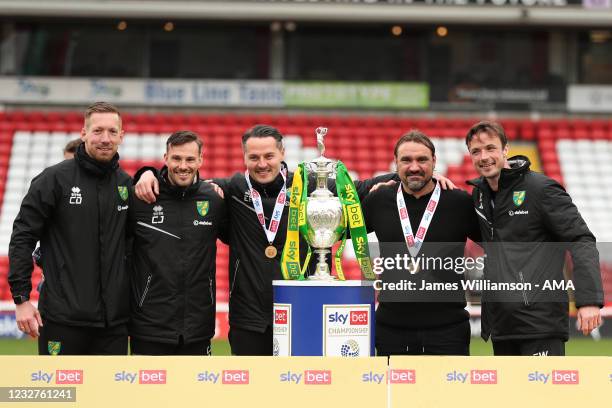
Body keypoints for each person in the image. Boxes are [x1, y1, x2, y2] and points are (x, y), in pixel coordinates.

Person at [135, 124, 421, 355]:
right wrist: (146, 173)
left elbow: (359, 187)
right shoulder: (231, 189)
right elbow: (185, 185)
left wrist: (417, 176)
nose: (262, 164)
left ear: (282, 152)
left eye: (269, 156)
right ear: (244, 156)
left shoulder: (308, 186)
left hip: (300, 309)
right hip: (249, 319)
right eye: (254, 157)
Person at [465, 120, 603, 356]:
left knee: (543, 394)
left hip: (540, 324)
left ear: (505, 149)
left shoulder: (541, 189)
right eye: (476, 151)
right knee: (509, 394)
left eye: (490, 148)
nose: (483, 156)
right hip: (502, 324)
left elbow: (581, 240)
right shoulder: (479, 194)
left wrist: (588, 300)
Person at [8, 101, 131, 355]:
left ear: (121, 136)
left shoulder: (127, 184)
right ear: (83, 133)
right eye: (97, 131)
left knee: (110, 396)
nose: (105, 138)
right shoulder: (53, 180)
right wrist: (21, 299)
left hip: (113, 325)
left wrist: (151, 173)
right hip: (61, 321)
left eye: (111, 132)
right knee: (61, 395)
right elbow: (23, 237)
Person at [362, 130, 481, 356]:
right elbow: (339, 230)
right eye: (406, 160)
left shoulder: (459, 202)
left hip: (449, 332)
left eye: (422, 160)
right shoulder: (378, 200)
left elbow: (497, 243)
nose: (414, 167)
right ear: (395, 163)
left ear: (434, 162)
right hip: (391, 331)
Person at [128, 131, 227, 355]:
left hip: (198, 327)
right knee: (148, 391)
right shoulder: (143, 198)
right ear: (166, 158)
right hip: (149, 327)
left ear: (201, 160)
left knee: (195, 391)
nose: (183, 166)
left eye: (190, 159)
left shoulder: (213, 199)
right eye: (177, 158)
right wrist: (145, 172)